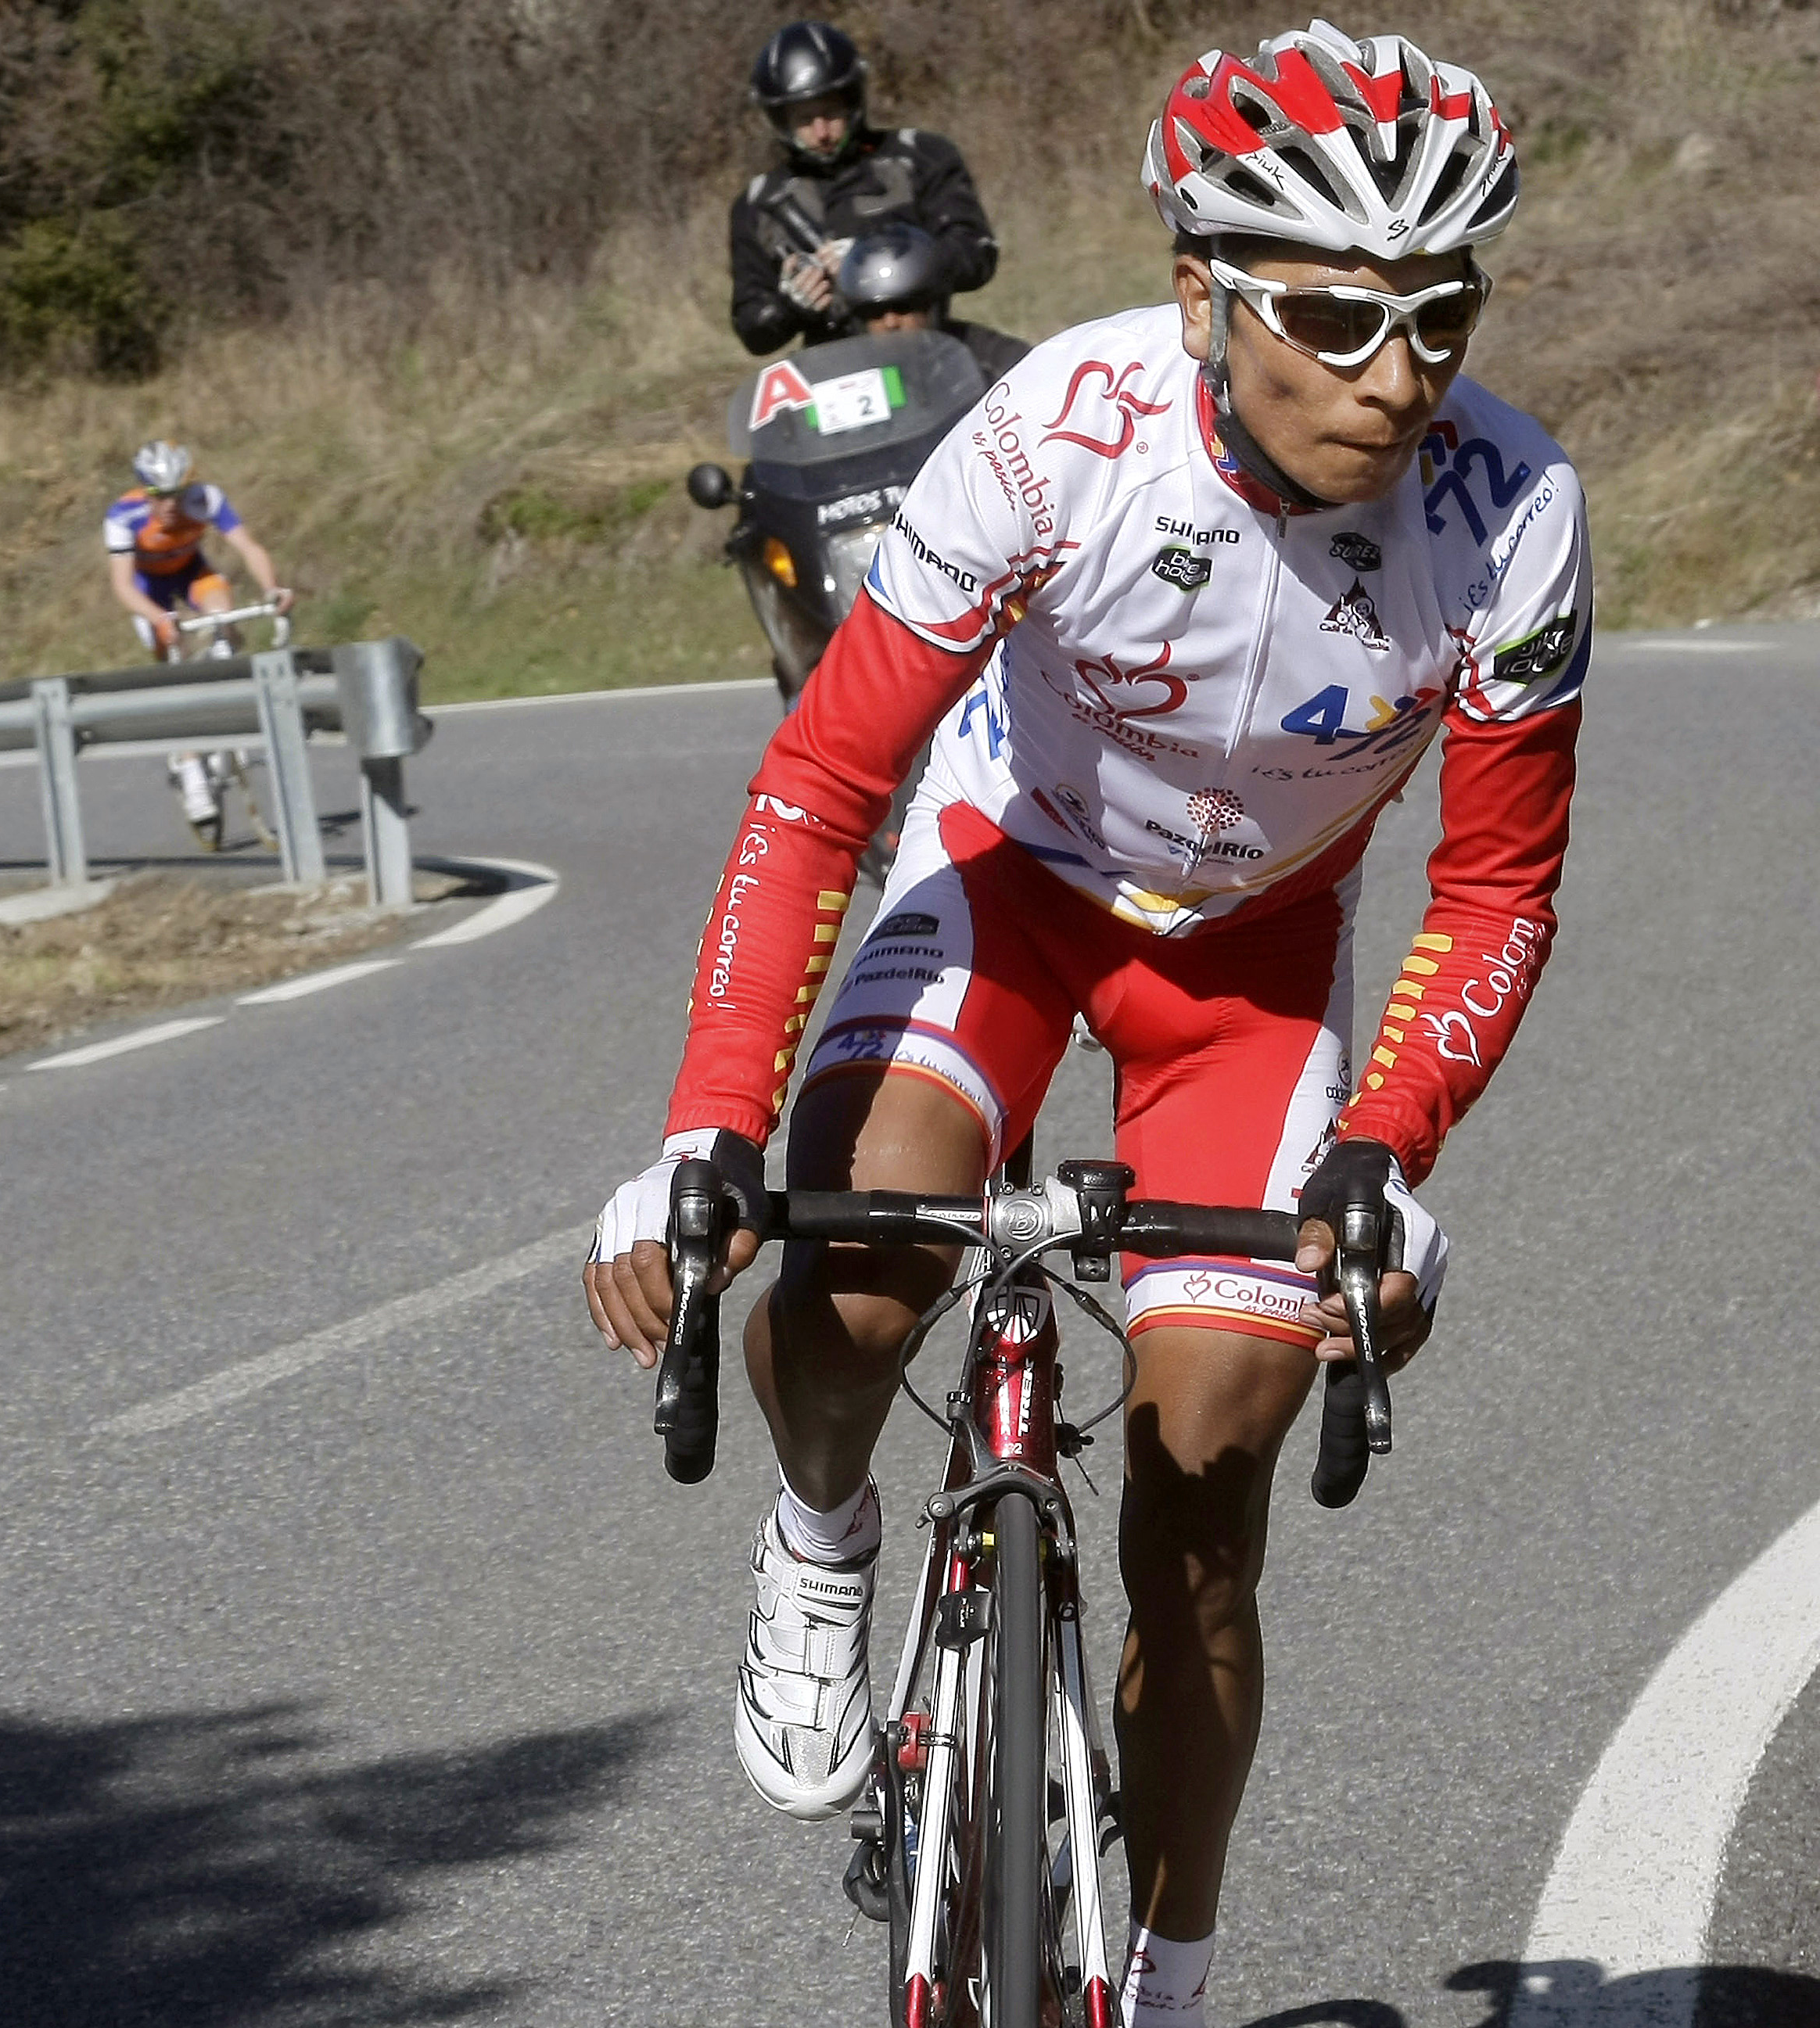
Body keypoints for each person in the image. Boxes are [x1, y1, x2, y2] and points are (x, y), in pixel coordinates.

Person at [591, 23, 1574, 2025]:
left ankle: (1180, 1972)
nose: (1400, 372)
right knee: (855, 1272)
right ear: (1206, 292)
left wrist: (1384, 1151)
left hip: (1247, 976)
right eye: (1332, 313)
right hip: (1002, 886)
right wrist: (705, 1125)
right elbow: (816, 787)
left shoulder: (1512, 506)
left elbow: (1490, 890)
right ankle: (821, 1523)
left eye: (1440, 310)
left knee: (1207, 1477)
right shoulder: (1055, 433)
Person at [730, 21, 1000, 360]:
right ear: (780, 121)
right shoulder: (759, 205)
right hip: (830, 373)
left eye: (830, 112)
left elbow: (977, 255)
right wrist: (791, 305)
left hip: (931, 353)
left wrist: (876, 259)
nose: (822, 132)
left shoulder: (920, 157)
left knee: (1028, 375)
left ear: (852, 100)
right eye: (804, 119)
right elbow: (753, 332)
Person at [106, 440, 294, 849]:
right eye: (160, 497)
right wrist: (159, 618)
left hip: (192, 574)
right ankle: (189, 767)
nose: (170, 506)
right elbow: (121, 585)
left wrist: (273, 587)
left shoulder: (206, 499)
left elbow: (248, 546)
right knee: (175, 669)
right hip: (148, 591)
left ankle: (224, 688)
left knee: (223, 614)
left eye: (176, 495)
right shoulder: (125, 515)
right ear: (144, 491)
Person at [834, 221, 1033, 383]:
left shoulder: (996, 362)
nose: (891, 323)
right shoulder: (842, 382)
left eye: (905, 308)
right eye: (874, 312)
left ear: (934, 305)